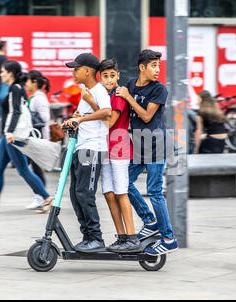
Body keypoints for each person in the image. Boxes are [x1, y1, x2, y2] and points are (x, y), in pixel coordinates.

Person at [116, 49, 179, 256]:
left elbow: (145, 116)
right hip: (140, 145)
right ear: (142, 67)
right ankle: (150, 221)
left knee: (154, 191)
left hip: (157, 145)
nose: (157, 70)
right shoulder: (132, 84)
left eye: (158, 66)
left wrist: (128, 96)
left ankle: (169, 238)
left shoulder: (159, 89)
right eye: (153, 66)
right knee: (124, 183)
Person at [0, 61, 53, 214]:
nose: (0, 74)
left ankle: (47, 198)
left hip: (14, 135)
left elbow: (17, 112)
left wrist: (10, 131)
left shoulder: (16, 88)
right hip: (9, 134)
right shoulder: (15, 88)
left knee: (23, 169)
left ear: (11, 73)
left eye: (3, 71)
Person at [79, 58, 140, 253]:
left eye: (112, 75)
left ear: (118, 76)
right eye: (105, 76)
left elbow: (109, 122)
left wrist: (91, 104)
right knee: (108, 194)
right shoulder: (105, 95)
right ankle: (121, 236)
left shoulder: (119, 95)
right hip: (105, 149)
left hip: (120, 148)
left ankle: (132, 237)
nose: (109, 79)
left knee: (121, 192)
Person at [62, 53, 112, 253]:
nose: (73, 72)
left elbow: (106, 112)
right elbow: (90, 116)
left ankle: (96, 238)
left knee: (85, 194)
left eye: (76, 69)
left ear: (87, 71)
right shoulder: (86, 92)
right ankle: (87, 237)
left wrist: (81, 120)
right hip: (81, 147)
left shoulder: (99, 90)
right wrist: (76, 118)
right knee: (75, 194)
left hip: (93, 149)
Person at [24, 70, 51, 209]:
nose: (26, 84)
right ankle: (40, 196)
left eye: (28, 81)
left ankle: (41, 196)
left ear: (34, 82)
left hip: (39, 139)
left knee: (34, 169)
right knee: (33, 168)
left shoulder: (39, 99)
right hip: (33, 139)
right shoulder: (34, 97)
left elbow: (45, 119)